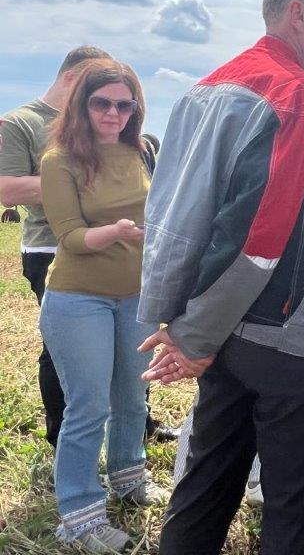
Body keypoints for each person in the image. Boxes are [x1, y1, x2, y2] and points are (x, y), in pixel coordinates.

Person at [138, 0, 304, 555]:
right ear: (298, 14)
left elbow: (182, 214)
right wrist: (197, 338)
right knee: (296, 510)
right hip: (288, 335)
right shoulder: (301, 96)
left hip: (221, 331)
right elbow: (258, 237)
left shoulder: (203, 90)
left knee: (205, 484)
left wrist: (183, 323)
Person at [39, 59, 164, 552]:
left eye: (123, 104)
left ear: (135, 109)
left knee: (134, 397)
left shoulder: (141, 152)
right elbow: (68, 236)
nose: (113, 112)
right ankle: (79, 515)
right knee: (89, 407)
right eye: (102, 103)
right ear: (82, 105)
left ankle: (129, 478)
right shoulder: (60, 160)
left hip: (135, 296)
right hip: (78, 298)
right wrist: (115, 233)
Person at [0, 45, 110, 447]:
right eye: (91, 88)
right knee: (64, 345)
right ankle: (62, 436)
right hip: (50, 247)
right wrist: (76, 179)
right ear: (70, 78)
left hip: (107, 244)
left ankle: (139, 420)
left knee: (123, 338)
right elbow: (8, 188)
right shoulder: (21, 123)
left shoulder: (96, 120)